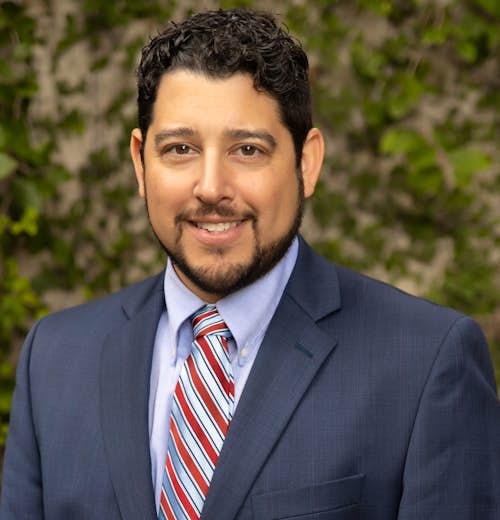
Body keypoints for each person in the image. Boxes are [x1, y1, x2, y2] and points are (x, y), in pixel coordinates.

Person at [1, 7, 499, 520]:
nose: (211, 187)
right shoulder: (55, 359)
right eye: (180, 148)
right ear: (140, 162)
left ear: (307, 162)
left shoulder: (426, 363)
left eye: (247, 150)